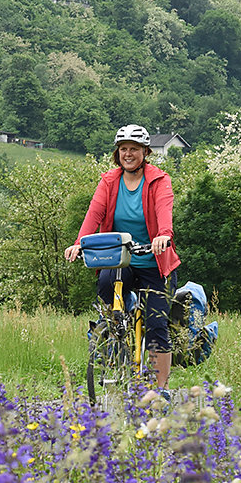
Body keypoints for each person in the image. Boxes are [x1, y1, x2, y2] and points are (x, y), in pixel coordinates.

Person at [64, 124, 180, 393]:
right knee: (105, 283)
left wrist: (163, 235)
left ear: (145, 152)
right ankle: (117, 330)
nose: (128, 154)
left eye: (134, 149)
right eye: (123, 149)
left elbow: (164, 210)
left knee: (156, 325)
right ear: (117, 153)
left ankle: (159, 390)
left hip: (154, 261)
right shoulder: (109, 181)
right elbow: (94, 214)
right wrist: (79, 243)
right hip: (121, 261)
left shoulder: (159, 180)